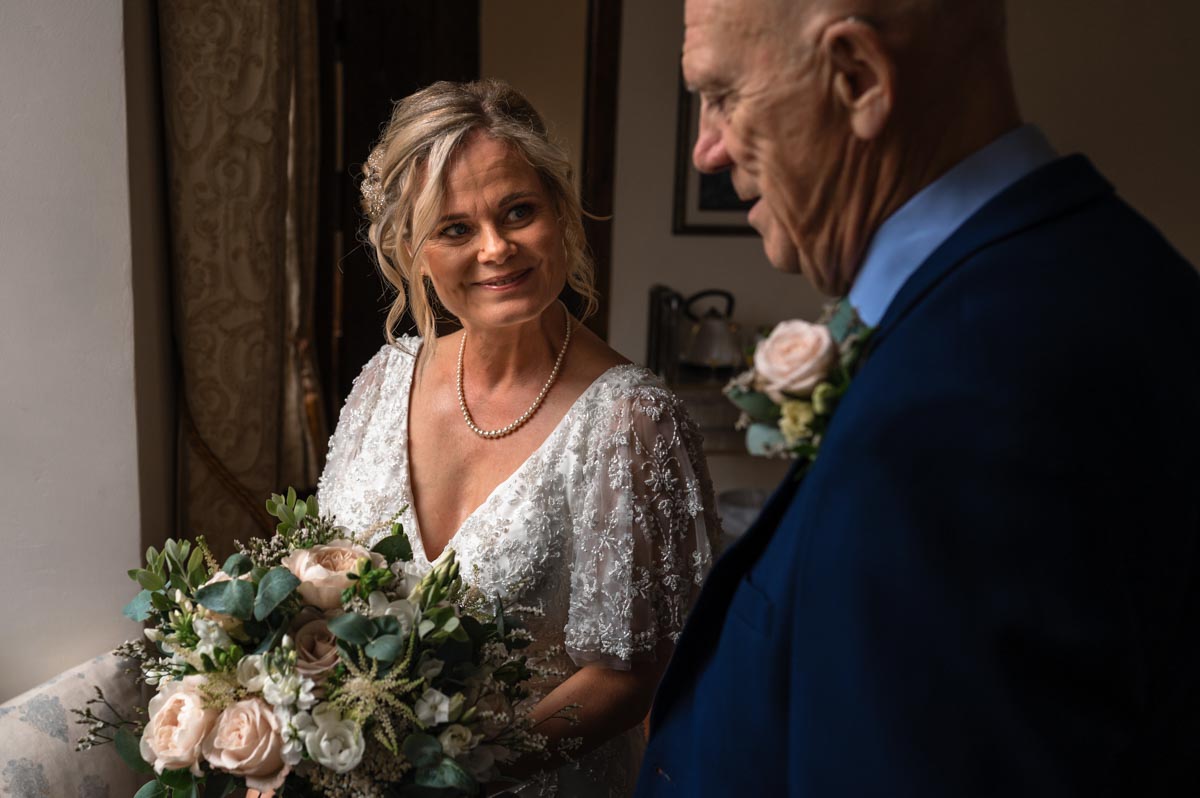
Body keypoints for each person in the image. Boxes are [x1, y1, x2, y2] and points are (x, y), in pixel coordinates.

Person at [638, 1, 1200, 796]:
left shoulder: (964, 407)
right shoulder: (1102, 273)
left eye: (723, 95)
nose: (707, 149)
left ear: (859, 77)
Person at [316, 79, 721, 797]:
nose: (496, 248)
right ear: (412, 249)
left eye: (518, 212)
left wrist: (446, 778)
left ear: (560, 213)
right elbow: (320, 578)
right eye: (454, 229)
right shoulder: (384, 380)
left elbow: (630, 677)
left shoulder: (632, 422)